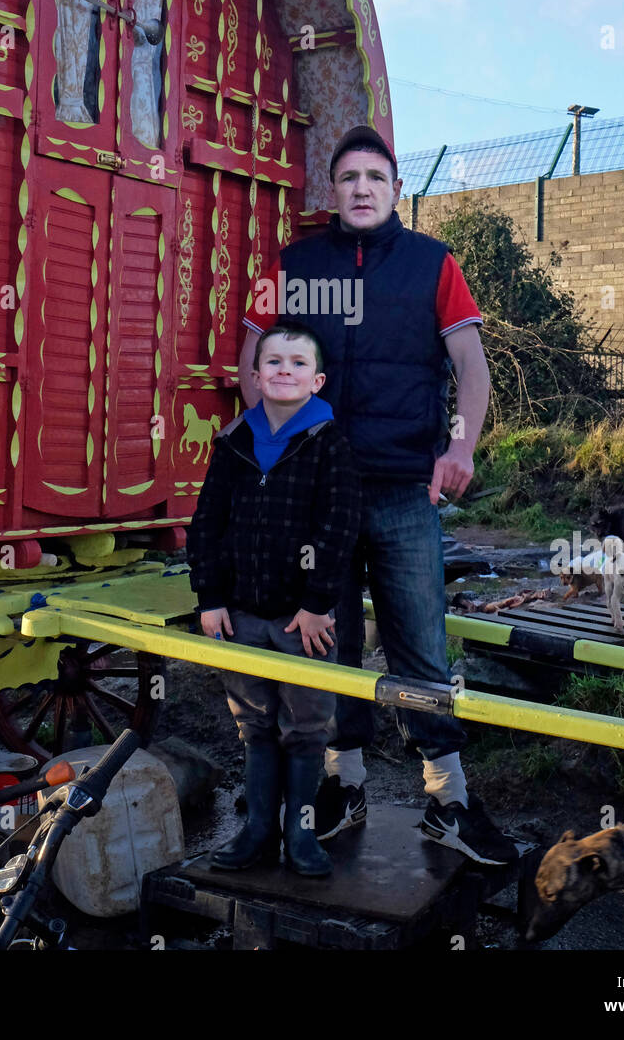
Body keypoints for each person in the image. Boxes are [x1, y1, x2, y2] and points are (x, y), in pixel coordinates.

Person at [239, 125, 516, 865]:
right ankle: (343, 782)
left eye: (375, 176)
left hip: (402, 490)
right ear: (332, 192)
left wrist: (459, 446)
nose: (361, 187)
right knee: (325, 642)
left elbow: (470, 364)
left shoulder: (433, 264)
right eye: (348, 177)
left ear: (395, 190)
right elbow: (251, 356)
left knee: (420, 642)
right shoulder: (294, 264)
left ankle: (447, 797)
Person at [187, 323, 360, 877]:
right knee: (254, 725)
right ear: (255, 376)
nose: (285, 370)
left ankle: (301, 836)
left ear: (318, 379)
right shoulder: (233, 442)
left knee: (305, 727)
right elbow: (206, 524)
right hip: (239, 615)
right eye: (274, 362)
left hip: (301, 622)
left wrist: (316, 604)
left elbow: (338, 529)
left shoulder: (329, 443)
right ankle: (257, 830)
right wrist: (210, 597)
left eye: (298, 363)